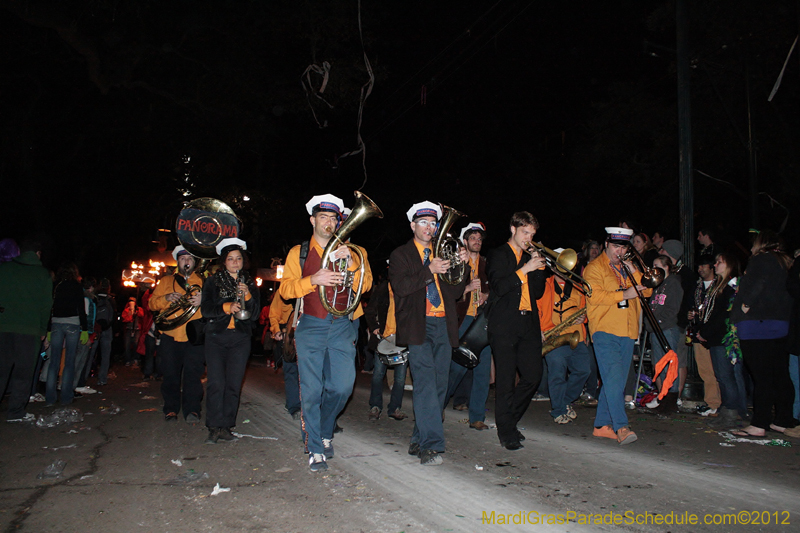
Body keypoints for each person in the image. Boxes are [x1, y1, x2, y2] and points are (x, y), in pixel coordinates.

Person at [279, 194, 370, 471]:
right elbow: (285, 290)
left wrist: (351, 262)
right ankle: (315, 447)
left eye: (333, 218)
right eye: (323, 217)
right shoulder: (298, 252)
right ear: (313, 220)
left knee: (342, 386)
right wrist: (312, 280)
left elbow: (366, 285)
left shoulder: (355, 251)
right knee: (311, 389)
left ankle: (325, 428)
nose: (329, 222)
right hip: (311, 324)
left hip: (342, 324)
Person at [389, 201, 467, 465]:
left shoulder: (443, 252)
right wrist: (428, 271)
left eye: (433, 223)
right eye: (423, 222)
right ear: (413, 225)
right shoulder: (401, 254)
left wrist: (462, 267)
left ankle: (418, 439)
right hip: (417, 325)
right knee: (425, 384)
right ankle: (431, 446)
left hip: (444, 324)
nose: (429, 227)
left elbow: (455, 292)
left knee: (440, 387)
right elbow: (401, 287)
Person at [485, 211, 547, 450]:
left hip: (528, 323)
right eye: (525, 232)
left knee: (533, 376)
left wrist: (538, 269)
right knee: (506, 379)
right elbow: (499, 287)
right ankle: (506, 432)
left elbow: (538, 293)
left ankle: (508, 421)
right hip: (504, 324)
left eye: (532, 234)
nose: (528, 238)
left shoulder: (529, 257)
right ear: (513, 229)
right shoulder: (498, 254)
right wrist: (526, 269)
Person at [584, 227, 651, 445]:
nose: (619, 252)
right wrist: (625, 294)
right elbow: (595, 296)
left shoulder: (627, 268)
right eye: (615, 246)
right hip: (605, 329)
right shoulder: (595, 268)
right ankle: (621, 426)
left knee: (616, 381)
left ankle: (601, 425)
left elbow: (648, 290)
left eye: (623, 247)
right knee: (614, 379)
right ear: (606, 244)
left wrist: (635, 271)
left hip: (628, 330)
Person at [730, 230, 795, 437]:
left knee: (761, 376)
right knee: (780, 374)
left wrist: (745, 305)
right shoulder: (784, 262)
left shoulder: (761, 260)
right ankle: (783, 419)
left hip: (756, 325)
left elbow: (757, 284)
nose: (751, 248)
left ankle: (760, 423)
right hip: (779, 323)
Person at [201, 238, 259, 443]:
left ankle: (226, 426)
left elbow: (255, 314)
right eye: (231, 259)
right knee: (216, 383)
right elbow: (206, 309)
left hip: (240, 339)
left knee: (234, 383)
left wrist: (248, 296)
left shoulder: (249, 282)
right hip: (216, 337)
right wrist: (226, 307)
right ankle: (213, 426)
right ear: (224, 262)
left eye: (239, 258)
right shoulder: (212, 281)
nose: (235, 262)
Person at [149, 246, 206, 423]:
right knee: (170, 374)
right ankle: (171, 408)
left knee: (193, 375)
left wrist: (203, 300)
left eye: (189, 259)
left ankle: (192, 409)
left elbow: (215, 307)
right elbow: (152, 304)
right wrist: (166, 299)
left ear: (194, 262)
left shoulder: (204, 282)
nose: (186, 262)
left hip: (194, 337)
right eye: (182, 259)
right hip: (170, 335)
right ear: (177, 262)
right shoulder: (166, 281)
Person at [445, 222, 492, 430]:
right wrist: (467, 288)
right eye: (473, 238)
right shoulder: (456, 263)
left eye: (479, 239)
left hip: (482, 322)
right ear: (465, 241)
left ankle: (477, 417)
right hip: (463, 321)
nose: (477, 242)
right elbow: (447, 292)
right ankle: (438, 406)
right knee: (457, 368)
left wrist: (486, 295)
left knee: (482, 371)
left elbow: (496, 288)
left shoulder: (487, 264)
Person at [0, 239, 52, 421]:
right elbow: (46, 305)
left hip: (4, 327)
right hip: (29, 330)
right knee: (23, 373)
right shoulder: (42, 274)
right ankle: (15, 412)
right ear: (38, 253)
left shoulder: (5, 269)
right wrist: (43, 329)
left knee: (1, 370)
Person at [697, 252, 747, 428]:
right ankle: (729, 410)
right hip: (718, 337)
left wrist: (706, 332)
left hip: (725, 338)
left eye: (719, 262)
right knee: (724, 376)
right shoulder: (720, 286)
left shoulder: (731, 287)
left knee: (726, 376)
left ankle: (732, 411)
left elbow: (722, 316)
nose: (715, 265)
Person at [538, 258, 590, 424]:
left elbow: (586, 311)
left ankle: (564, 401)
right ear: (553, 267)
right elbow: (536, 309)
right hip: (553, 336)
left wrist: (584, 318)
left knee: (584, 371)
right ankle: (558, 410)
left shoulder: (578, 287)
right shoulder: (543, 285)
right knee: (557, 374)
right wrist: (538, 329)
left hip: (576, 336)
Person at [642, 255, 683, 411]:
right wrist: (649, 323)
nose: (653, 269)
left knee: (669, 365)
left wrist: (658, 322)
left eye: (657, 265)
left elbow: (673, 308)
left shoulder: (673, 283)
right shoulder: (657, 285)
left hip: (667, 329)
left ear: (666, 267)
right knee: (659, 364)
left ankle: (671, 399)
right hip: (656, 329)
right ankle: (663, 396)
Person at [365, 277, 408, 421]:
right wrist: (374, 327)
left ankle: (395, 408)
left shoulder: (407, 286)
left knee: (400, 379)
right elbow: (369, 310)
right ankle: (375, 406)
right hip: (383, 339)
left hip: (402, 340)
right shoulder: (382, 288)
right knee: (378, 375)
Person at [46, 262, 88, 406]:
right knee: (69, 362)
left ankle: (50, 398)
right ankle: (66, 396)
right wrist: (84, 329)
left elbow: (50, 307)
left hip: (56, 323)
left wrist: (48, 328)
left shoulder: (56, 286)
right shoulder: (76, 286)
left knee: (54, 362)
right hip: (73, 324)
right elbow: (81, 308)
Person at [658, 239, 695, 402]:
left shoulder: (685, 274)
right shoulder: (664, 271)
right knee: (661, 360)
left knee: (678, 360)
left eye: (663, 250)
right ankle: (662, 396)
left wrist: (685, 317)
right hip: (664, 323)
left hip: (678, 324)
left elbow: (688, 300)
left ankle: (676, 397)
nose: (660, 252)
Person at [687, 255, 722, 416]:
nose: (700, 269)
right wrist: (690, 315)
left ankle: (718, 403)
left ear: (712, 267)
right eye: (698, 266)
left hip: (714, 335)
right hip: (698, 332)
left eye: (703, 266)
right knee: (705, 371)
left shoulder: (719, 286)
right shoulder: (697, 287)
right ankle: (712, 402)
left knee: (718, 371)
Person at [269, 294, 301, 420]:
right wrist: (276, 330)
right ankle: (294, 406)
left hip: (307, 332)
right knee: (291, 370)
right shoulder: (283, 291)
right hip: (287, 335)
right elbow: (274, 314)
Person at [72, 277, 98, 395]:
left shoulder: (83, 298)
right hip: (83, 333)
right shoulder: (86, 299)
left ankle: (75, 384)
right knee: (79, 361)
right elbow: (85, 318)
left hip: (81, 332)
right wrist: (87, 334)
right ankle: (75, 385)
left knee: (78, 360)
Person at [93, 279, 117, 386]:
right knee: (105, 355)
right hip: (107, 328)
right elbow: (114, 315)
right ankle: (102, 379)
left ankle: (83, 377)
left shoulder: (94, 298)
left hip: (95, 328)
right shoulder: (110, 300)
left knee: (91, 353)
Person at [121, 296, 144, 367]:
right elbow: (125, 319)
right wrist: (131, 315)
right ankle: (128, 360)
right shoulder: (126, 310)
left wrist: (136, 311)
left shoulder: (139, 309)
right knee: (127, 345)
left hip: (137, 329)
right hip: (129, 329)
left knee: (136, 344)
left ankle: (135, 359)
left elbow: (142, 315)